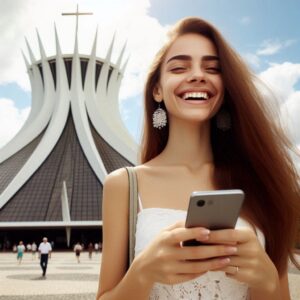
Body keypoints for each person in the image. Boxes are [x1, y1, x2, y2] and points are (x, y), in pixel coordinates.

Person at [96, 17, 300, 300]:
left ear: (225, 87)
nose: (197, 75)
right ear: (157, 89)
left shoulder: (257, 181)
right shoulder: (125, 185)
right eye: (179, 67)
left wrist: (266, 282)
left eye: (212, 68)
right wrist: (143, 271)